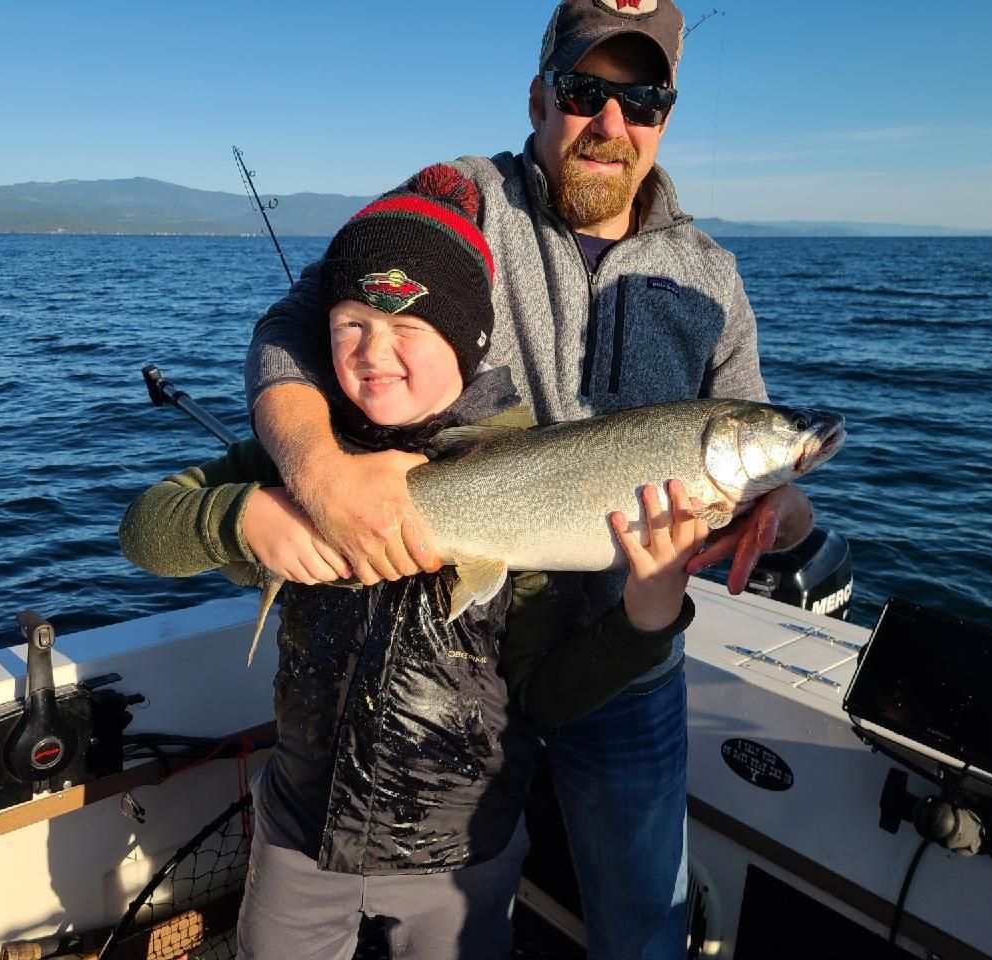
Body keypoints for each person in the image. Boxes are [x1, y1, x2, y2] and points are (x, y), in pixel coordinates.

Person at [243, 2, 816, 955]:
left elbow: (753, 440)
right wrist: (318, 476)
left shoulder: (712, 275)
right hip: (457, 661)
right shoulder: (456, 197)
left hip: (627, 665)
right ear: (541, 92)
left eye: (643, 100)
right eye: (587, 91)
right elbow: (291, 330)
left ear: (666, 115)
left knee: (641, 931)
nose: (611, 124)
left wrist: (784, 506)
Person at [119, 165, 709, 960]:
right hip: (299, 834)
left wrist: (648, 614)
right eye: (350, 323)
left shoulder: (525, 470)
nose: (374, 353)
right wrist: (246, 517)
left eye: (410, 330)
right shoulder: (294, 459)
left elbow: (545, 692)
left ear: (468, 338)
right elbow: (144, 530)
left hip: (462, 857)